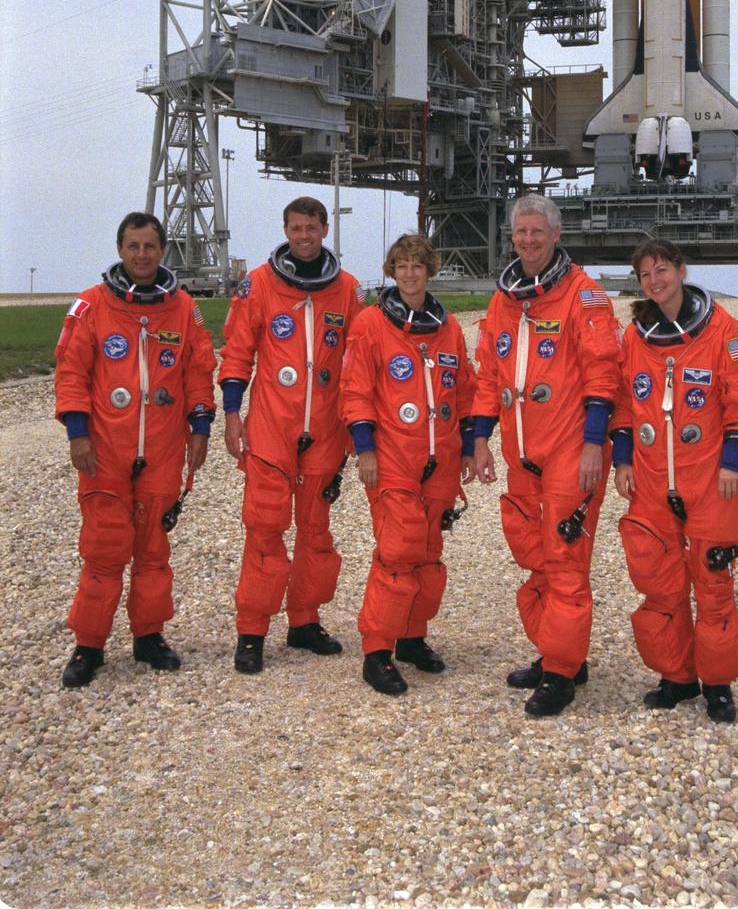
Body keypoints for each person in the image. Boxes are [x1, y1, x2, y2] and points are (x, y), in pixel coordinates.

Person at [611, 238, 738, 724]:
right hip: (651, 479)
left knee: (713, 582)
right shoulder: (636, 336)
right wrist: (622, 460)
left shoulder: (725, 331)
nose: (655, 281)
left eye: (661, 270)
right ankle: (677, 676)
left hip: (710, 479)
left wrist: (732, 460)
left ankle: (718, 684)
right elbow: (623, 400)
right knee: (659, 583)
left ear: (681, 271)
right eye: (646, 275)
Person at [473, 194, 622, 717]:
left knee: (564, 559)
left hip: (569, 450)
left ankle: (560, 674)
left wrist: (591, 445)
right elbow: (490, 373)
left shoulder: (584, 295)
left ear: (557, 235)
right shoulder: (505, 300)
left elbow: (605, 374)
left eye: (539, 232)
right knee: (533, 553)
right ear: (511, 237)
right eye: (521, 233)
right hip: (521, 451)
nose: (530, 240)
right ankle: (560, 651)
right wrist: (479, 440)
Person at [55, 212, 216, 688]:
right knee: (104, 550)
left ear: (162, 250)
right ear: (120, 249)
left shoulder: (183, 308)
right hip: (105, 448)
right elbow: (70, 372)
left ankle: (149, 637)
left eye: (150, 246)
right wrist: (78, 432)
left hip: (163, 449)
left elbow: (198, 368)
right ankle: (89, 645)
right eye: (133, 246)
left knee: (153, 551)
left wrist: (201, 425)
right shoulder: (91, 305)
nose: (142, 255)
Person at [219, 197, 363, 673]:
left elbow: (358, 365)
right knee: (264, 530)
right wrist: (233, 414)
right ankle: (252, 630)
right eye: (296, 228)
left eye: (312, 228)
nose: (304, 236)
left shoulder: (346, 290)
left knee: (316, 533)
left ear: (325, 229)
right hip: (270, 429)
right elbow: (237, 354)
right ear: (285, 229)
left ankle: (304, 620)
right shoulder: (258, 284)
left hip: (324, 430)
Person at [339, 233, 475, 696]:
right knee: (398, 553)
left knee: (430, 554)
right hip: (394, 457)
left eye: (418, 264)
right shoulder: (370, 324)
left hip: (441, 459)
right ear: (391, 271)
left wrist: (475, 444)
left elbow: (465, 389)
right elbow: (354, 390)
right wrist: (365, 449)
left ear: (429, 269)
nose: (410, 273)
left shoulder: (448, 327)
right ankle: (377, 651)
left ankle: (412, 638)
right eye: (402, 265)